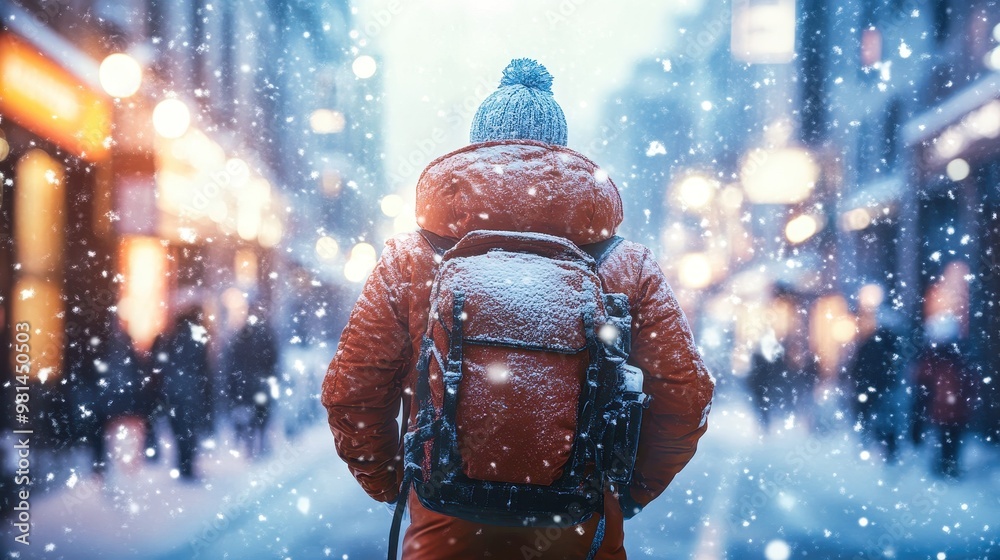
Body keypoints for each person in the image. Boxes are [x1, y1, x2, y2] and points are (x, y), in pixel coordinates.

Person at [321, 58, 715, 559]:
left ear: (475, 149)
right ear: (563, 153)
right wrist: (624, 491)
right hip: (580, 529)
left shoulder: (413, 260)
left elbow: (352, 392)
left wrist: (394, 481)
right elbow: (685, 395)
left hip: (445, 528)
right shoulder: (625, 267)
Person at [153, 304, 212, 480]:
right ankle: (187, 465)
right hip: (191, 391)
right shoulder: (197, 337)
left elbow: (161, 363)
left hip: (173, 391)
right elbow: (204, 368)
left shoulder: (170, 337)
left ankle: (181, 463)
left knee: (178, 429)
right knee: (189, 430)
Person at [914, 314, 974, 478]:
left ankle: (945, 468)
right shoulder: (958, 356)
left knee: (946, 440)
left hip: (945, 408)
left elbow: (922, 377)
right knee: (950, 440)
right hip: (953, 408)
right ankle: (948, 467)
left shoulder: (936, 358)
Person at [847, 311, 904, 462]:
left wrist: (860, 384)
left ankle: (867, 446)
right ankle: (888, 451)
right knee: (886, 420)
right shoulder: (894, 344)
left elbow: (856, 367)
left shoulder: (869, 342)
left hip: (868, 389)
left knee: (868, 418)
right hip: (883, 390)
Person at [225, 305, 279, 459]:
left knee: (252, 413)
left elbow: (233, 360)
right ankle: (259, 441)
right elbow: (273, 360)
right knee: (260, 413)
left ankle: (252, 443)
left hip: (248, 382)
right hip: (258, 381)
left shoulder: (243, 335)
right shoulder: (265, 334)